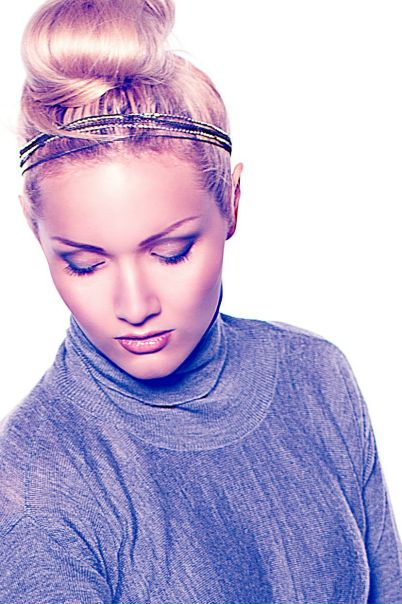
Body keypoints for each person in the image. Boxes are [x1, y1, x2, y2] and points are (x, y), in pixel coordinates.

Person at [0, 0, 401, 602]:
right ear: (37, 235)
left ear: (232, 202)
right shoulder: (36, 484)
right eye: (84, 263)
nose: (134, 306)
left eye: (171, 252)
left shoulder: (316, 375)